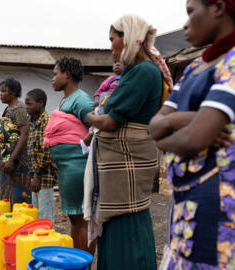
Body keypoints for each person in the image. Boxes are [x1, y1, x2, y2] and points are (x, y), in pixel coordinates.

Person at [149, 0, 235, 268]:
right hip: (186, 199)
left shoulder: (232, 64)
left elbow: (192, 139)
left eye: (190, 11)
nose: (185, 23)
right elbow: (154, 128)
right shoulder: (195, 69)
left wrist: (172, 128)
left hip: (219, 204)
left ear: (218, 8)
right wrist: (188, 118)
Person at [85, 15, 171, 269]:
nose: (111, 46)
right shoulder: (140, 71)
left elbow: (110, 121)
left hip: (127, 159)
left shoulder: (143, 71)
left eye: (113, 40)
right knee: (120, 219)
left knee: (126, 217)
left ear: (130, 38)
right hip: (124, 159)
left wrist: (88, 115)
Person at [44, 57, 94, 254]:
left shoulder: (81, 100)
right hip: (67, 167)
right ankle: (77, 262)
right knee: (74, 217)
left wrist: (82, 146)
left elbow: (96, 128)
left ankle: (84, 264)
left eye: (56, 74)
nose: (53, 78)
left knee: (82, 219)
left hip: (77, 166)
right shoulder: (67, 99)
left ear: (68, 74)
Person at [0, 78, 31, 204]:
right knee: (7, 198)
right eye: (0, 91)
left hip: (18, 163)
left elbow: (24, 135)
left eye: (3, 91)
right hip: (8, 162)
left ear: (13, 92)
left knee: (20, 199)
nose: (0, 94)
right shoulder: (8, 109)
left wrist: (11, 160)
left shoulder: (19, 109)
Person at [25, 89, 58, 222]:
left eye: (29, 104)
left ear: (40, 103)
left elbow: (47, 153)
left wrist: (37, 175)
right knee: (36, 216)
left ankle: (47, 242)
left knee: (45, 217)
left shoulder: (47, 122)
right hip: (35, 176)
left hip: (44, 177)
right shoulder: (32, 123)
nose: (26, 107)